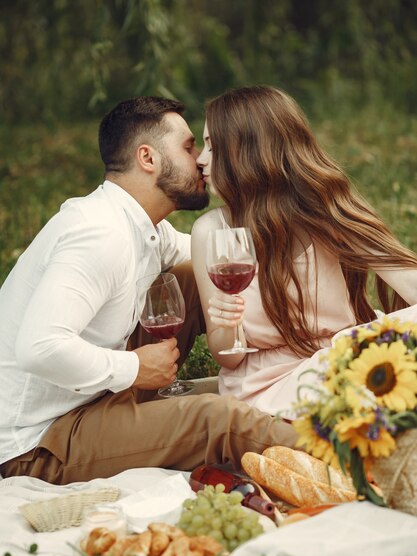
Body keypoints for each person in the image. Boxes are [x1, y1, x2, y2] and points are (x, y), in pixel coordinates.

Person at [0, 95, 298, 485]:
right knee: (216, 418)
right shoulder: (100, 235)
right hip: (37, 441)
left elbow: (221, 257)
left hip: (88, 398)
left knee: (193, 277)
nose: (202, 160)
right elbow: (38, 347)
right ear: (148, 158)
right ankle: (355, 447)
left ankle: (288, 372)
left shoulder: (140, 225)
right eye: (190, 147)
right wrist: (135, 368)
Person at [192, 85, 417, 416]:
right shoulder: (211, 231)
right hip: (272, 385)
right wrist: (226, 323)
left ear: (248, 152)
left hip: (345, 356)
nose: (200, 159)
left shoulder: (325, 209)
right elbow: (229, 356)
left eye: (212, 146)